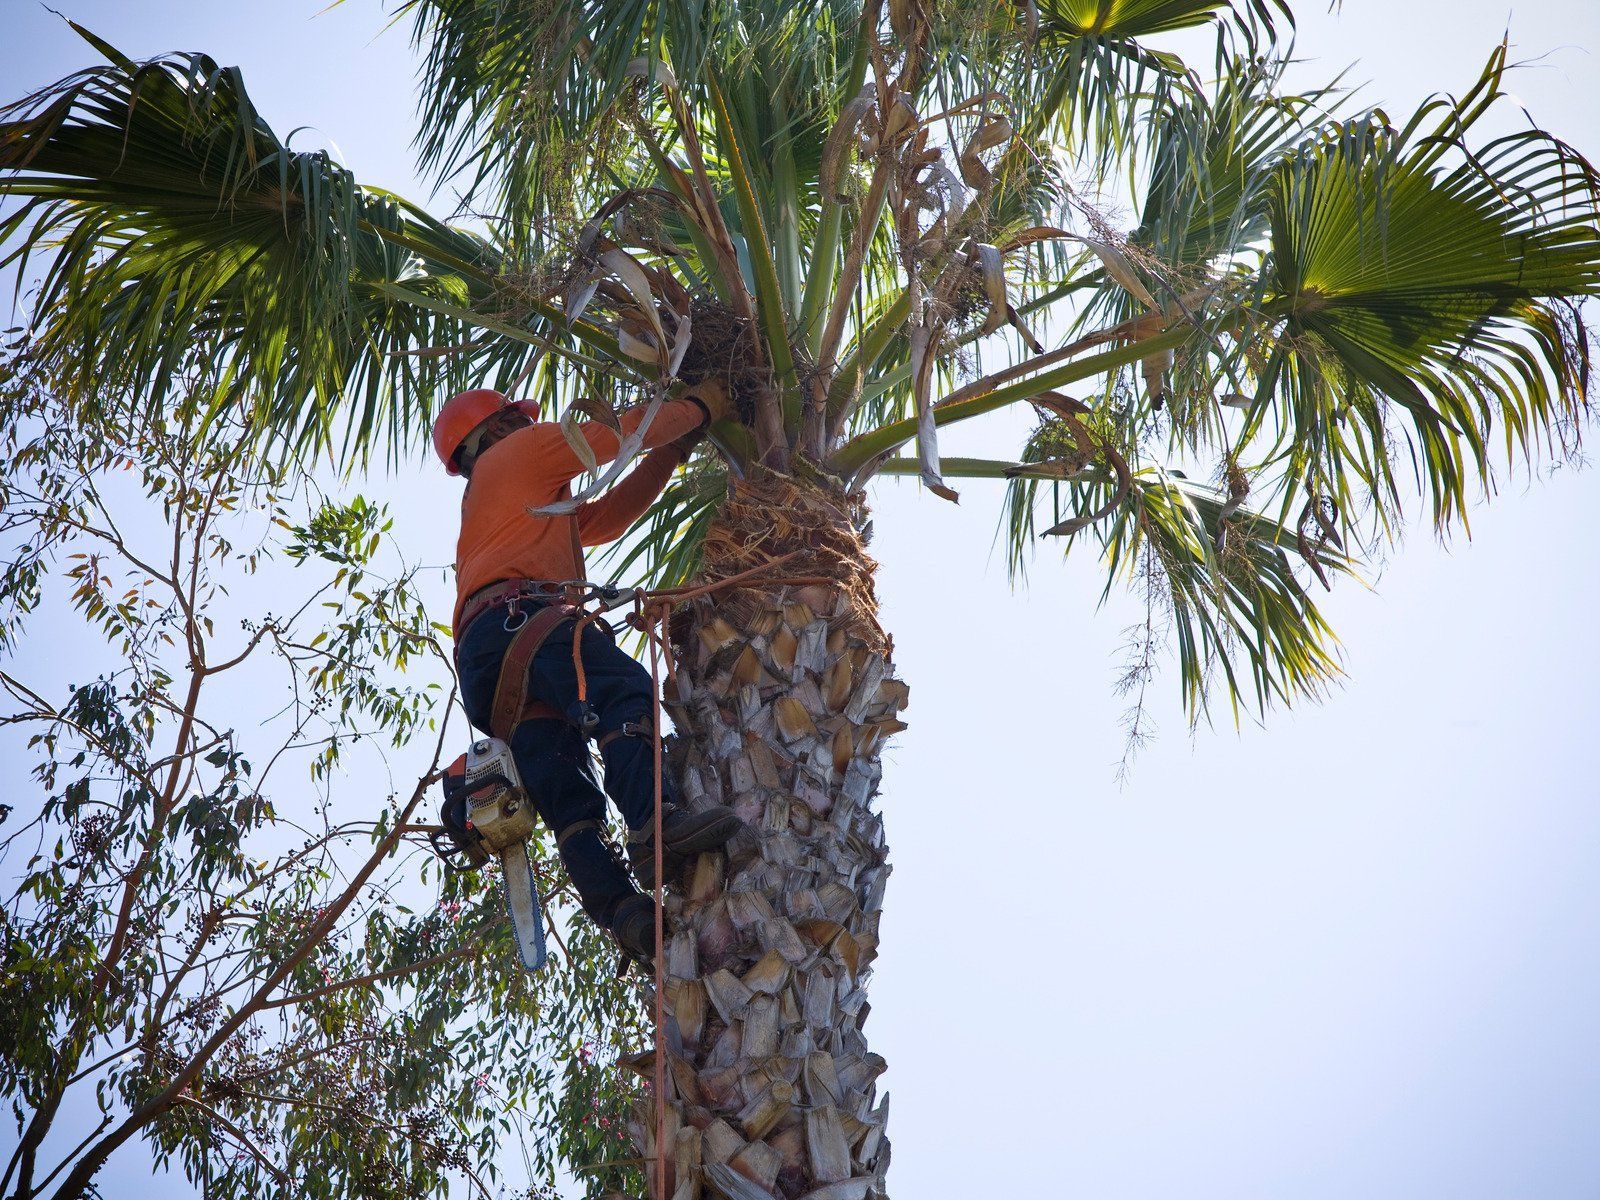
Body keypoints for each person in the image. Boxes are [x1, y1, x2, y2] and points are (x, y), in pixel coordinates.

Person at [434, 384, 743, 963]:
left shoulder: (503, 496)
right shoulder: (518, 455)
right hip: (517, 621)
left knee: (568, 796)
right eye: (518, 420)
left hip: (488, 662)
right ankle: (656, 823)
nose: (530, 424)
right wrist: (704, 405)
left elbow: (605, 520)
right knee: (623, 691)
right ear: (497, 430)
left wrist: (674, 452)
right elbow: (613, 435)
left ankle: (622, 912)